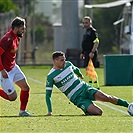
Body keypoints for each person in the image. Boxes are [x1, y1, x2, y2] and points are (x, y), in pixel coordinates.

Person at [45, 51, 131, 116]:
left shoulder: (68, 64)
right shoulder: (51, 76)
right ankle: (87, 109)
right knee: (98, 112)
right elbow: (48, 95)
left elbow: (75, 69)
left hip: (84, 88)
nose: (64, 61)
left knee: (106, 97)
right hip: (76, 97)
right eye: (61, 60)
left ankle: (129, 105)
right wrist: (50, 111)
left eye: (64, 59)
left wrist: (80, 75)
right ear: (55, 61)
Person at [0, 16, 33, 116]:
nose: (24, 30)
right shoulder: (7, 39)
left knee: (26, 88)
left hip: (13, 67)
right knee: (12, 97)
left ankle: (22, 112)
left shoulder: (17, 37)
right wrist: (2, 70)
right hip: (4, 70)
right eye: (22, 28)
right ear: (16, 28)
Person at [80, 16, 99, 89]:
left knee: (92, 69)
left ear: (90, 23)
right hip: (86, 52)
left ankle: (96, 86)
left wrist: (92, 52)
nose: (85, 24)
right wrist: (83, 52)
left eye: (86, 23)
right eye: (84, 23)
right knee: (88, 69)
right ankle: (91, 85)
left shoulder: (92, 31)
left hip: (91, 53)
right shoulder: (86, 32)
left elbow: (96, 42)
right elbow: (85, 43)